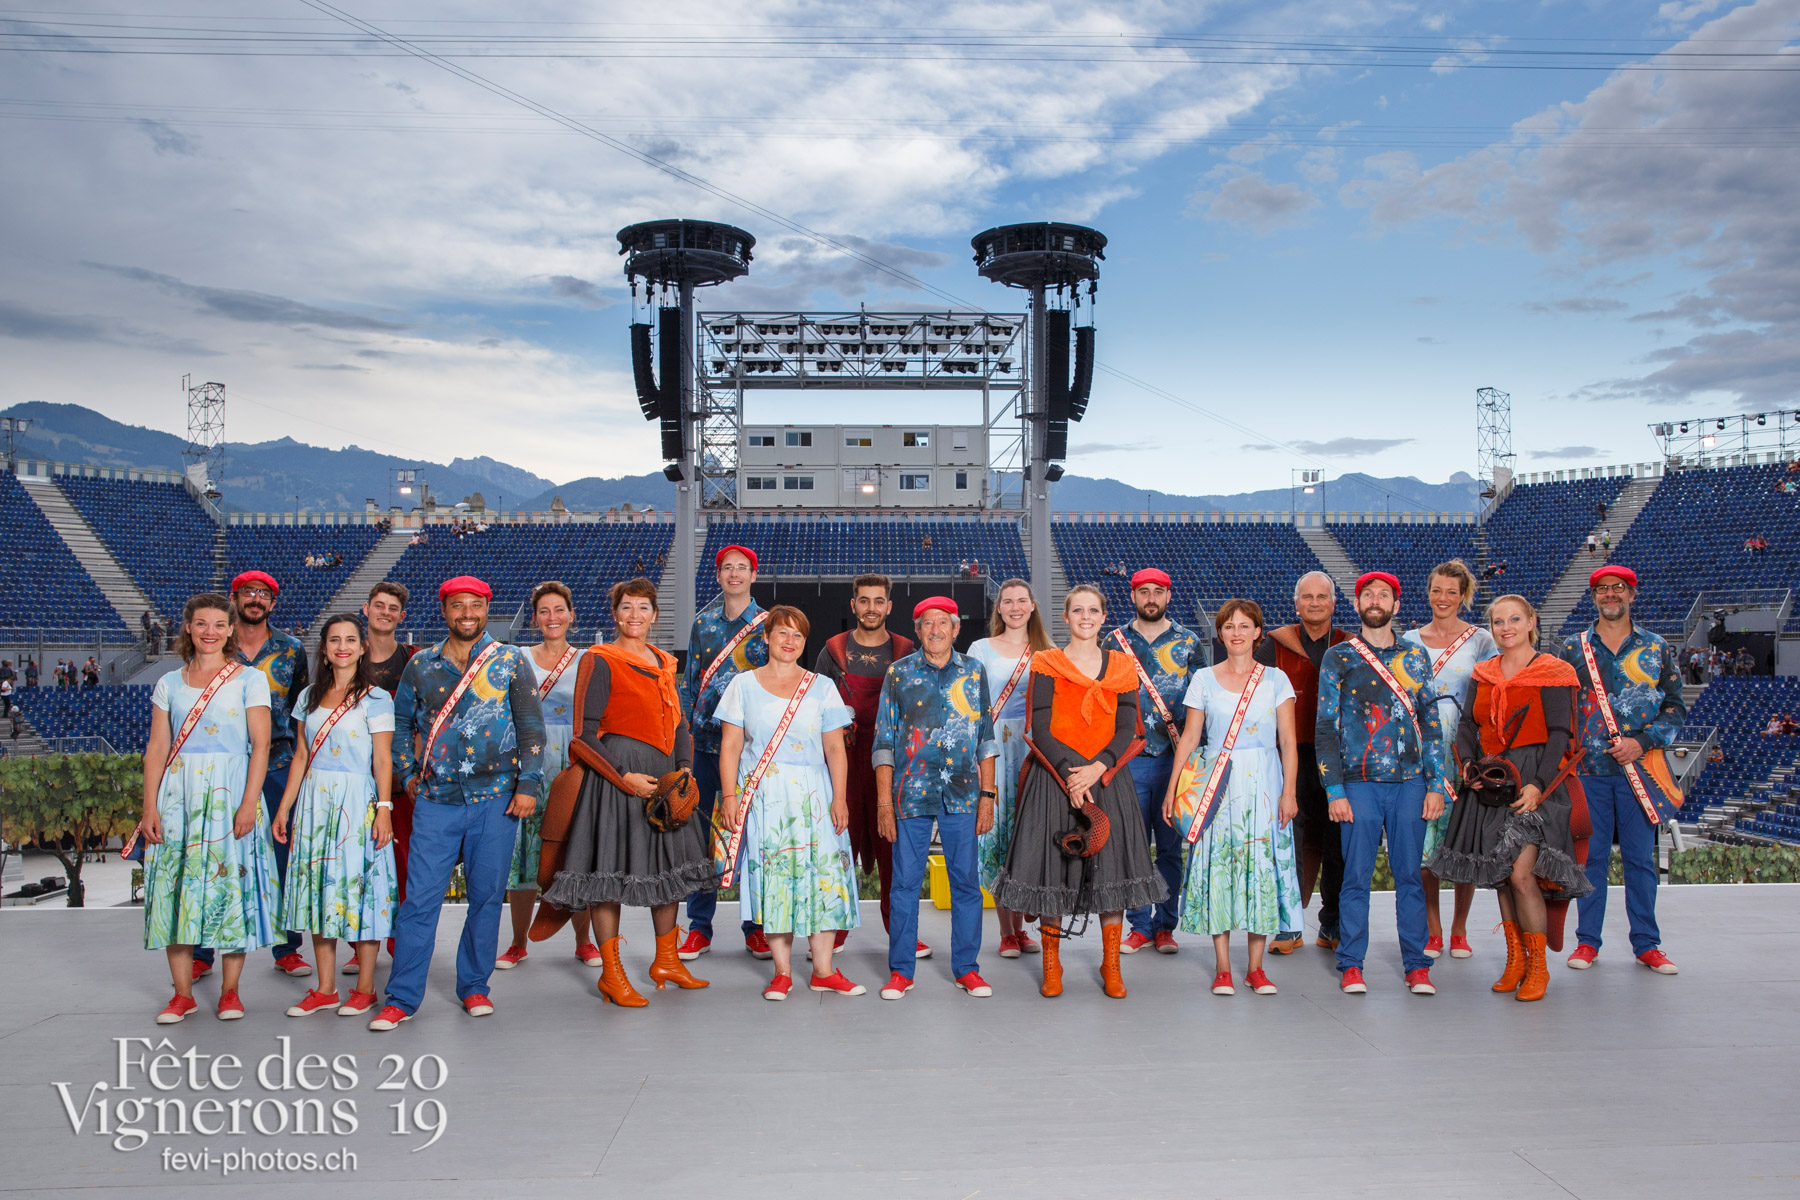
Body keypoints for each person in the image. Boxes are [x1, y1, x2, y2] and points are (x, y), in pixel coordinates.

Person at [370, 575, 545, 1031]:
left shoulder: (509, 660)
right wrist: (407, 776)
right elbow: (400, 721)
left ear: (487, 609)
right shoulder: (421, 665)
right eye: (457, 606)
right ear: (444, 610)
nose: (467, 614)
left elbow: (531, 727)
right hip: (436, 801)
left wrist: (529, 784)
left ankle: (474, 987)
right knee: (420, 901)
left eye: (476, 605)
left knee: (486, 899)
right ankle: (402, 997)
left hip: (498, 800)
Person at [539, 578, 715, 1006]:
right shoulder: (599, 660)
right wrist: (623, 777)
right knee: (607, 875)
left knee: (669, 869)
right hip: (616, 779)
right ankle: (612, 974)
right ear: (614, 613)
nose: (634, 616)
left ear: (655, 615)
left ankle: (667, 960)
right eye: (626, 608)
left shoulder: (663, 661)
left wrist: (686, 770)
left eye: (643, 608)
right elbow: (582, 736)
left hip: (664, 778)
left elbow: (678, 725)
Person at [995, 584, 1167, 999]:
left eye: (1093, 610)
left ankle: (1112, 964)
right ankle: (1052, 966)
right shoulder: (1047, 661)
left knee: (1113, 870)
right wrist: (1072, 774)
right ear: (1066, 617)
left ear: (1104, 616)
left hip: (1106, 777)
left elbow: (1129, 725)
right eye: (1077, 610)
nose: (1085, 617)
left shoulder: (1122, 665)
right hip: (1055, 778)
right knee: (1053, 870)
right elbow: (1040, 724)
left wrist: (1097, 768)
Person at [1427, 595, 1592, 1002]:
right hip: (1492, 778)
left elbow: (1559, 736)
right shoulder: (1484, 673)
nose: (1506, 628)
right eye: (1498, 621)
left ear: (1532, 621)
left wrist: (1538, 784)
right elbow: (1467, 724)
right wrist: (1468, 764)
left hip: (1535, 779)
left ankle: (1538, 968)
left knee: (1521, 874)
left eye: (1515, 619)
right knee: (1502, 876)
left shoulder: (1554, 671)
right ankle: (1515, 959)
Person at [140, 594, 280, 1024]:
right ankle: (182, 995)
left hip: (231, 793)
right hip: (178, 795)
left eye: (219, 624)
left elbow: (261, 746)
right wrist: (150, 806)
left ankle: (231, 992)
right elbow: (157, 748)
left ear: (231, 629)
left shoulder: (249, 680)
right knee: (176, 890)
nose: (210, 632)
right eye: (201, 624)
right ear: (188, 628)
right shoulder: (169, 682)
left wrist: (249, 803)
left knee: (230, 889)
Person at [717, 605, 863, 1000]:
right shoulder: (742, 686)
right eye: (782, 633)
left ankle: (823, 970)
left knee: (825, 877)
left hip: (816, 794)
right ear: (766, 638)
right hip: (766, 797)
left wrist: (840, 798)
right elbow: (730, 747)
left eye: (797, 635)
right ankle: (782, 971)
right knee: (775, 878)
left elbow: (835, 747)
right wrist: (730, 796)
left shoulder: (821, 687)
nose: (789, 641)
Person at [1315, 571, 1451, 996]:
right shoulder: (1339, 656)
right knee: (1355, 876)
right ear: (1356, 605)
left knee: (1409, 874)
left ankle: (1416, 964)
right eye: (1367, 594)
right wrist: (1334, 790)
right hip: (1358, 782)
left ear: (1396, 603)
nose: (1375, 601)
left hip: (1411, 780)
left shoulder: (1415, 655)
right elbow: (1325, 728)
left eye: (1384, 595)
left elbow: (1431, 722)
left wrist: (1436, 783)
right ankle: (1352, 963)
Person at [1164, 599, 1299, 997]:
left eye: (1245, 625)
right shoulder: (1203, 678)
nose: (1236, 632)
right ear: (1219, 633)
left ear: (1258, 632)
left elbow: (1288, 742)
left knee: (1260, 866)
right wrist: (1174, 788)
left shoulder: (1276, 680)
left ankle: (1256, 969)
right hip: (1215, 786)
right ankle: (1223, 967)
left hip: (1264, 783)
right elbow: (1190, 738)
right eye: (1229, 626)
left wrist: (1289, 791)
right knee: (1218, 867)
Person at [271, 614, 398, 1018]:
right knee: (318, 892)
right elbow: (301, 757)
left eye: (350, 640)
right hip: (314, 803)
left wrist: (383, 809)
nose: (342, 646)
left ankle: (364, 988)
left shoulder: (377, 698)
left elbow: (382, 758)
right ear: (324, 650)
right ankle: (325, 989)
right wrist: (286, 807)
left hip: (357, 799)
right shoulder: (308, 696)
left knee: (359, 891)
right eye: (333, 640)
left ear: (362, 648)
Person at [1560, 565, 1686, 974]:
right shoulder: (1572, 648)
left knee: (1640, 861)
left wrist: (1643, 742)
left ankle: (1647, 944)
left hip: (1640, 771)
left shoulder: (1657, 648)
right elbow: (1559, 706)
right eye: (1602, 589)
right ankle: (1587, 943)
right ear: (1593, 596)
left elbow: (1675, 707)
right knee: (1590, 860)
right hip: (1588, 772)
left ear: (1632, 594)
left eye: (1618, 588)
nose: (1610, 595)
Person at [872, 596, 999, 1001]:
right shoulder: (898, 673)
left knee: (966, 883)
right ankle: (901, 971)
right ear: (918, 630)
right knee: (905, 884)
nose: (936, 630)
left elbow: (986, 741)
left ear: (956, 629)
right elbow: (884, 743)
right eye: (928, 623)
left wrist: (987, 796)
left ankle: (967, 969)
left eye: (943, 623)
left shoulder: (974, 672)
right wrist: (883, 803)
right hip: (909, 794)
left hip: (963, 794)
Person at [192, 570, 311, 981]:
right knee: (212, 853)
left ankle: (287, 947)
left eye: (264, 594)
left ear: (273, 603)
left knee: (283, 854)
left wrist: (302, 761)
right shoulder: (214, 646)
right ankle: (201, 951)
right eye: (248, 593)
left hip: (277, 761)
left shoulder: (292, 649)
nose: (256, 599)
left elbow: (302, 711)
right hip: (224, 765)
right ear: (235, 597)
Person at [497, 582, 599, 970]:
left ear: (572, 615)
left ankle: (584, 941)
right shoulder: (517, 657)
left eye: (559, 610)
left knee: (574, 852)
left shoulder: (588, 659)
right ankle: (518, 942)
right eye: (544, 611)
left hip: (571, 761)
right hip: (527, 760)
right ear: (535, 617)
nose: (552, 618)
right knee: (523, 853)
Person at [812, 574, 916, 949]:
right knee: (839, 845)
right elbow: (816, 710)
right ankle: (833, 930)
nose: (871, 607)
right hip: (843, 761)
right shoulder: (832, 651)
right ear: (853, 605)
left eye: (878, 601)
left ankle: (900, 932)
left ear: (889, 607)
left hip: (893, 764)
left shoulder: (906, 651)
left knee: (895, 851)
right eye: (864, 600)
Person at [677, 544, 770, 961]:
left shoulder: (770, 625)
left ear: (754, 574)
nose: (734, 574)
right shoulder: (703, 624)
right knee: (699, 836)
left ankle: (756, 926)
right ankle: (700, 927)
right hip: (704, 745)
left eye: (742, 568)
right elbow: (691, 684)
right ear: (717, 576)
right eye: (727, 568)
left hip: (749, 750)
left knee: (752, 837)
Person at [1401, 560, 1498, 961]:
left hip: (1464, 755)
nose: (1443, 599)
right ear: (1428, 592)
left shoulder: (1481, 640)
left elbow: (1493, 697)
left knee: (1461, 845)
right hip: (1419, 756)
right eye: (1437, 590)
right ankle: (1434, 928)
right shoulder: (1407, 639)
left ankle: (1459, 928)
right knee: (1423, 849)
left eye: (1451, 592)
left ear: (1464, 597)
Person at [1255, 570, 1350, 953]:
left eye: (1321, 597)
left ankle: (1332, 924)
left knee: (1336, 842)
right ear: (1295, 603)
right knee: (1287, 841)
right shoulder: (1274, 645)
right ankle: (1289, 926)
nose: (1314, 603)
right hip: (1287, 757)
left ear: (1332, 602)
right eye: (1307, 597)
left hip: (1337, 759)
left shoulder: (1349, 644)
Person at [1111, 567, 1201, 955]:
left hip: (1173, 757)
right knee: (1132, 845)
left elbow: (1202, 701)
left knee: (1168, 847)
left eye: (1158, 592)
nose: (1151, 598)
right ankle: (1139, 924)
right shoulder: (1113, 641)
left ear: (1168, 596)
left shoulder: (1189, 642)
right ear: (1133, 596)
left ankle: (1165, 925)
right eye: (1143, 591)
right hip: (1128, 757)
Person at [967, 578, 1054, 958]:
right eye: (1008, 601)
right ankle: (1006, 931)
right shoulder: (980, 649)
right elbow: (970, 704)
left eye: (1022, 601)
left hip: (1036, 747)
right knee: (1000, 835)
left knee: (1028, 833)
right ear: (998, 608)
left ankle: (1023, 926)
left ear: (1032, 606)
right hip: (996, 746)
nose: (1015, 607)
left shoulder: (1049, 651)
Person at [359, 581, 419, 957]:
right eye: (378, 605)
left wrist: (409, 767)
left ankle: (403, 938)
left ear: (401, 616)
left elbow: (424, 715)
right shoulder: (346, 653)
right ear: (366, 609)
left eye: (392, 608)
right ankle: (361, 939)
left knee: (405, 861)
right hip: (357, 775)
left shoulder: (413, 659)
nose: (384, 612)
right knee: (360, 860)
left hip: (403, 776)